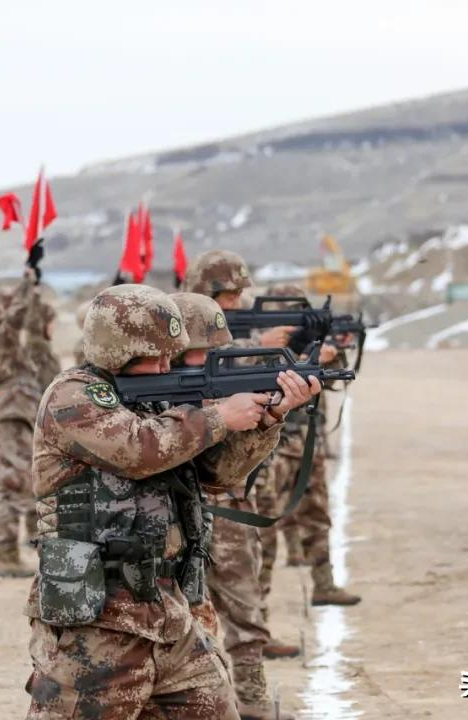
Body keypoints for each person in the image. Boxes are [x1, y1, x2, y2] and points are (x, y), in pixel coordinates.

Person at [24, 284, 318, 720]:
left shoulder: (154, 400)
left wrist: (268, 419)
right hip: (96, 621)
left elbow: (216, 477)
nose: (166, 366)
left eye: (171, 356)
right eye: (156, 356)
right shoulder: (73, 398)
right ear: (117, 350)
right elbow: (138, 450)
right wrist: (220, 416)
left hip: (167, 609)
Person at [185, 250, 302, 718]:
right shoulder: (173, 351)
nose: (233, 304)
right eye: (225, 296)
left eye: (237, 295)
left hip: (223, 490)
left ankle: (251, 698)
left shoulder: (233, 347)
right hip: (177, 495)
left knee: (242, 591)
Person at [256, 285, 362, 611]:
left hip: (305, 442)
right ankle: (255, 613)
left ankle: (324, 584)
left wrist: (328, 354)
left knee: (316, 515)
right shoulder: (256, 345)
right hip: (272, 446)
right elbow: (265, 379)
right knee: (264, 531)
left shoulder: (304, 339)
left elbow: (329, 380)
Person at [0, 273, 42, 577]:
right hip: (11, 420)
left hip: (20, 417)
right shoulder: (1, 339)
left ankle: (17, 547)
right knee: (10, 484)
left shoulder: (9, 344)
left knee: (23, 480)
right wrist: (27, 282)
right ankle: (4, 555)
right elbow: (17, 317)